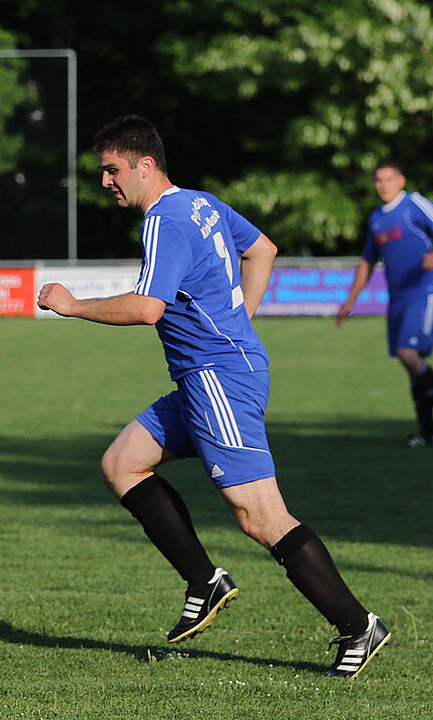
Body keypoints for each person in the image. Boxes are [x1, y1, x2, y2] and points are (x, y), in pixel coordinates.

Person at [37, 115, 389, 678]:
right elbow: (264, 250)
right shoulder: (200, 202)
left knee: (259, 516)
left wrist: (73, 305)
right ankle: (205, 580)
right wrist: (238, 322)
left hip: (217, 379)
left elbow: (148, 307)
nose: (106, 181)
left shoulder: (164, 221)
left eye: (112, 170)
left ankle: (358, 625)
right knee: (122, 464)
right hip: (212, 374)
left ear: (144, 165)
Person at [335, 160, 433, 447]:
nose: (382, 185)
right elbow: (367, 260)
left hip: (425, 291)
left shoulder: (414, 204)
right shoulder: (377, 218)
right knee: (414, 366)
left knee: (408, 353)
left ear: (401, 180)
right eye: (378, 180)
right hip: (398, 297)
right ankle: (427, 432)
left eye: (388, 179)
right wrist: (350, 300)